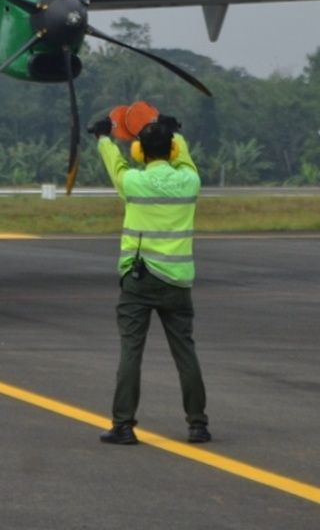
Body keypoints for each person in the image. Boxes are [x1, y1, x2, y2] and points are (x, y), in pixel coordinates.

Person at [88, 110, 211, 446]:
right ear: (172, 150)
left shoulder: (133, 183)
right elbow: (184, 159)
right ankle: (197, 424)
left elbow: (116, 165)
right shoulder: (190, 181)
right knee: (185, 352)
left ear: (139, 151)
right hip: (178, 282)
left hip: (139, 281)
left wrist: (102, 137)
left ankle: (123, 425)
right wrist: (177, 133)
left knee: (131, 351)